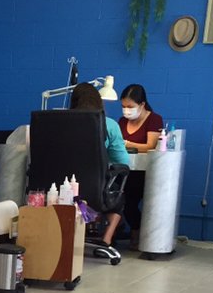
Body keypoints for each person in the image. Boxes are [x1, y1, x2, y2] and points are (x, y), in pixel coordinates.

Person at [70, 82, 129, 247]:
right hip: (95, 189)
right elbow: (123, 162)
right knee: (117, 194)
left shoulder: (60, 123)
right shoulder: (109, 125)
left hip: (64, 190)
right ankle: (106, 239)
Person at [118, 84, 163, 248]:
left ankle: (137, 232)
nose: (126, 110)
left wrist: (127, 144)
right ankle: (122, 228)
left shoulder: (154, 119)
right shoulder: (122, 121)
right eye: (123, 106)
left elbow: (150, 145)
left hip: (145, 172)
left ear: (142, 104)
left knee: (131, 202)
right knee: (117, 197)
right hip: (124, 170)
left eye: (130, 106)